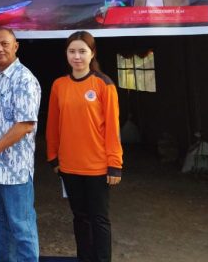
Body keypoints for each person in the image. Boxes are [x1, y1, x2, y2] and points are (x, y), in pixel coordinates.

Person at [45, 31, 123, 262]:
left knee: (99, 218)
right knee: (79, 217)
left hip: (98, 167)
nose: (77, 56)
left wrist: (114, 164)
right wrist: (53, 156)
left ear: (92, 54)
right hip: (69, 166)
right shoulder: (59, 85)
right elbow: (53, 124)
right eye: (72, 51)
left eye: (82, 51)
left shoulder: (103, 84)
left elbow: (112, 128)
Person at [0, 27, 42, 262]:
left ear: (16, 46)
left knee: (21, 228)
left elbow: (24, 125)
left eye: (4, 44)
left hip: (15, 172)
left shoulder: (25, 79)